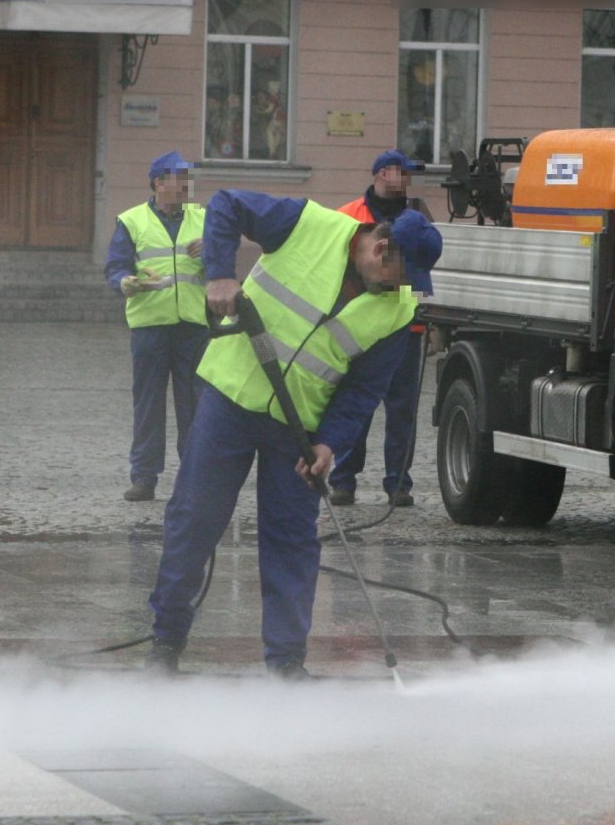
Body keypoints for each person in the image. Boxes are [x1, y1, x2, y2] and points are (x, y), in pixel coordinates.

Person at [144, 190, 443, 679]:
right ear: (380, 249)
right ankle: (166, 641)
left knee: (291, 541)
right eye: (402, 277)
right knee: (195, 518)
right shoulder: (307, 224)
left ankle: (286, 662)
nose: (402, 289)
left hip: (298, 429)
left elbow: (363, 389)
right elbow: (227, 205)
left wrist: (329, 442)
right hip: (230, 398)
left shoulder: (397, 310)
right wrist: (220, 274)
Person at [329, 149, 434, 508]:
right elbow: (336, 265)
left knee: (402, 410)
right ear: (380, 174)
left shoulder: (417, 215)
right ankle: (343, 480)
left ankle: (398, 484)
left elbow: (426, 264)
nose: (405, 179)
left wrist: (425, 315)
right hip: (358, 324)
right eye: (400, 172)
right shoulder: (349, 215)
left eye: (407, 173)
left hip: (405, 325)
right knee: (354, 401)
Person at [104, 151, 211, 502]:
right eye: (178, 179)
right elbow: (115, 268)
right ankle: (144, 477)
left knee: (194, 405)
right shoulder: (132, 221)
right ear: (158, 183)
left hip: (193, 327)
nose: (185, 186)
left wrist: (212, 250)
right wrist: (125, 282)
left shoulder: (204, 219)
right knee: (148, 404)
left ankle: (194, 476)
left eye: (187, 179)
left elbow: (223, 266)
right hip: (150, 327)